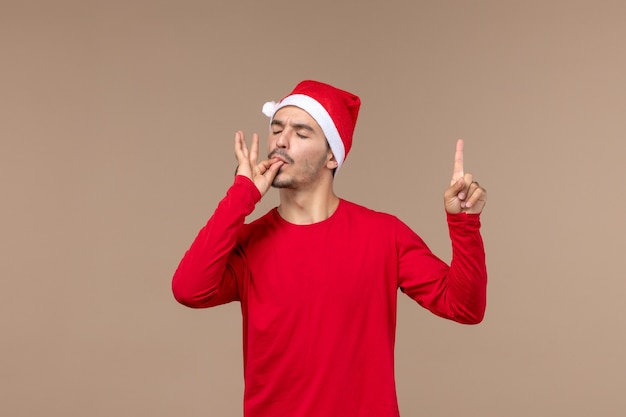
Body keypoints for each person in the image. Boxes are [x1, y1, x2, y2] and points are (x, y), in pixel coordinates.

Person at [171, 80, 488, 417]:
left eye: (301, 133)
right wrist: (242, 195)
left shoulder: (385, 235)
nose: (280, 140)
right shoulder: (251, 243)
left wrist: (464, 224)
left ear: (331, 157)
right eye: (276, 128)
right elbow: (189, 289)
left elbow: (465, 308)